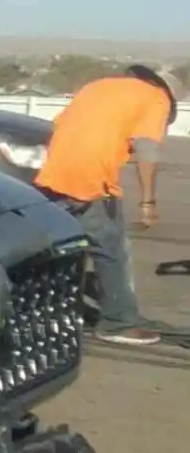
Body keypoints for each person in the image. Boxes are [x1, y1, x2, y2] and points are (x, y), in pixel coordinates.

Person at [34, 65, 177, 346]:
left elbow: (59, 124)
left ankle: (39, 310)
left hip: (53, 172)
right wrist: (148, 201)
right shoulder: (156, 98)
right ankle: (118, 323)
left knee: (53, 247)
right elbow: (147, 149)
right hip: (90, 178)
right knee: (111, 250)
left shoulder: (97, 87)